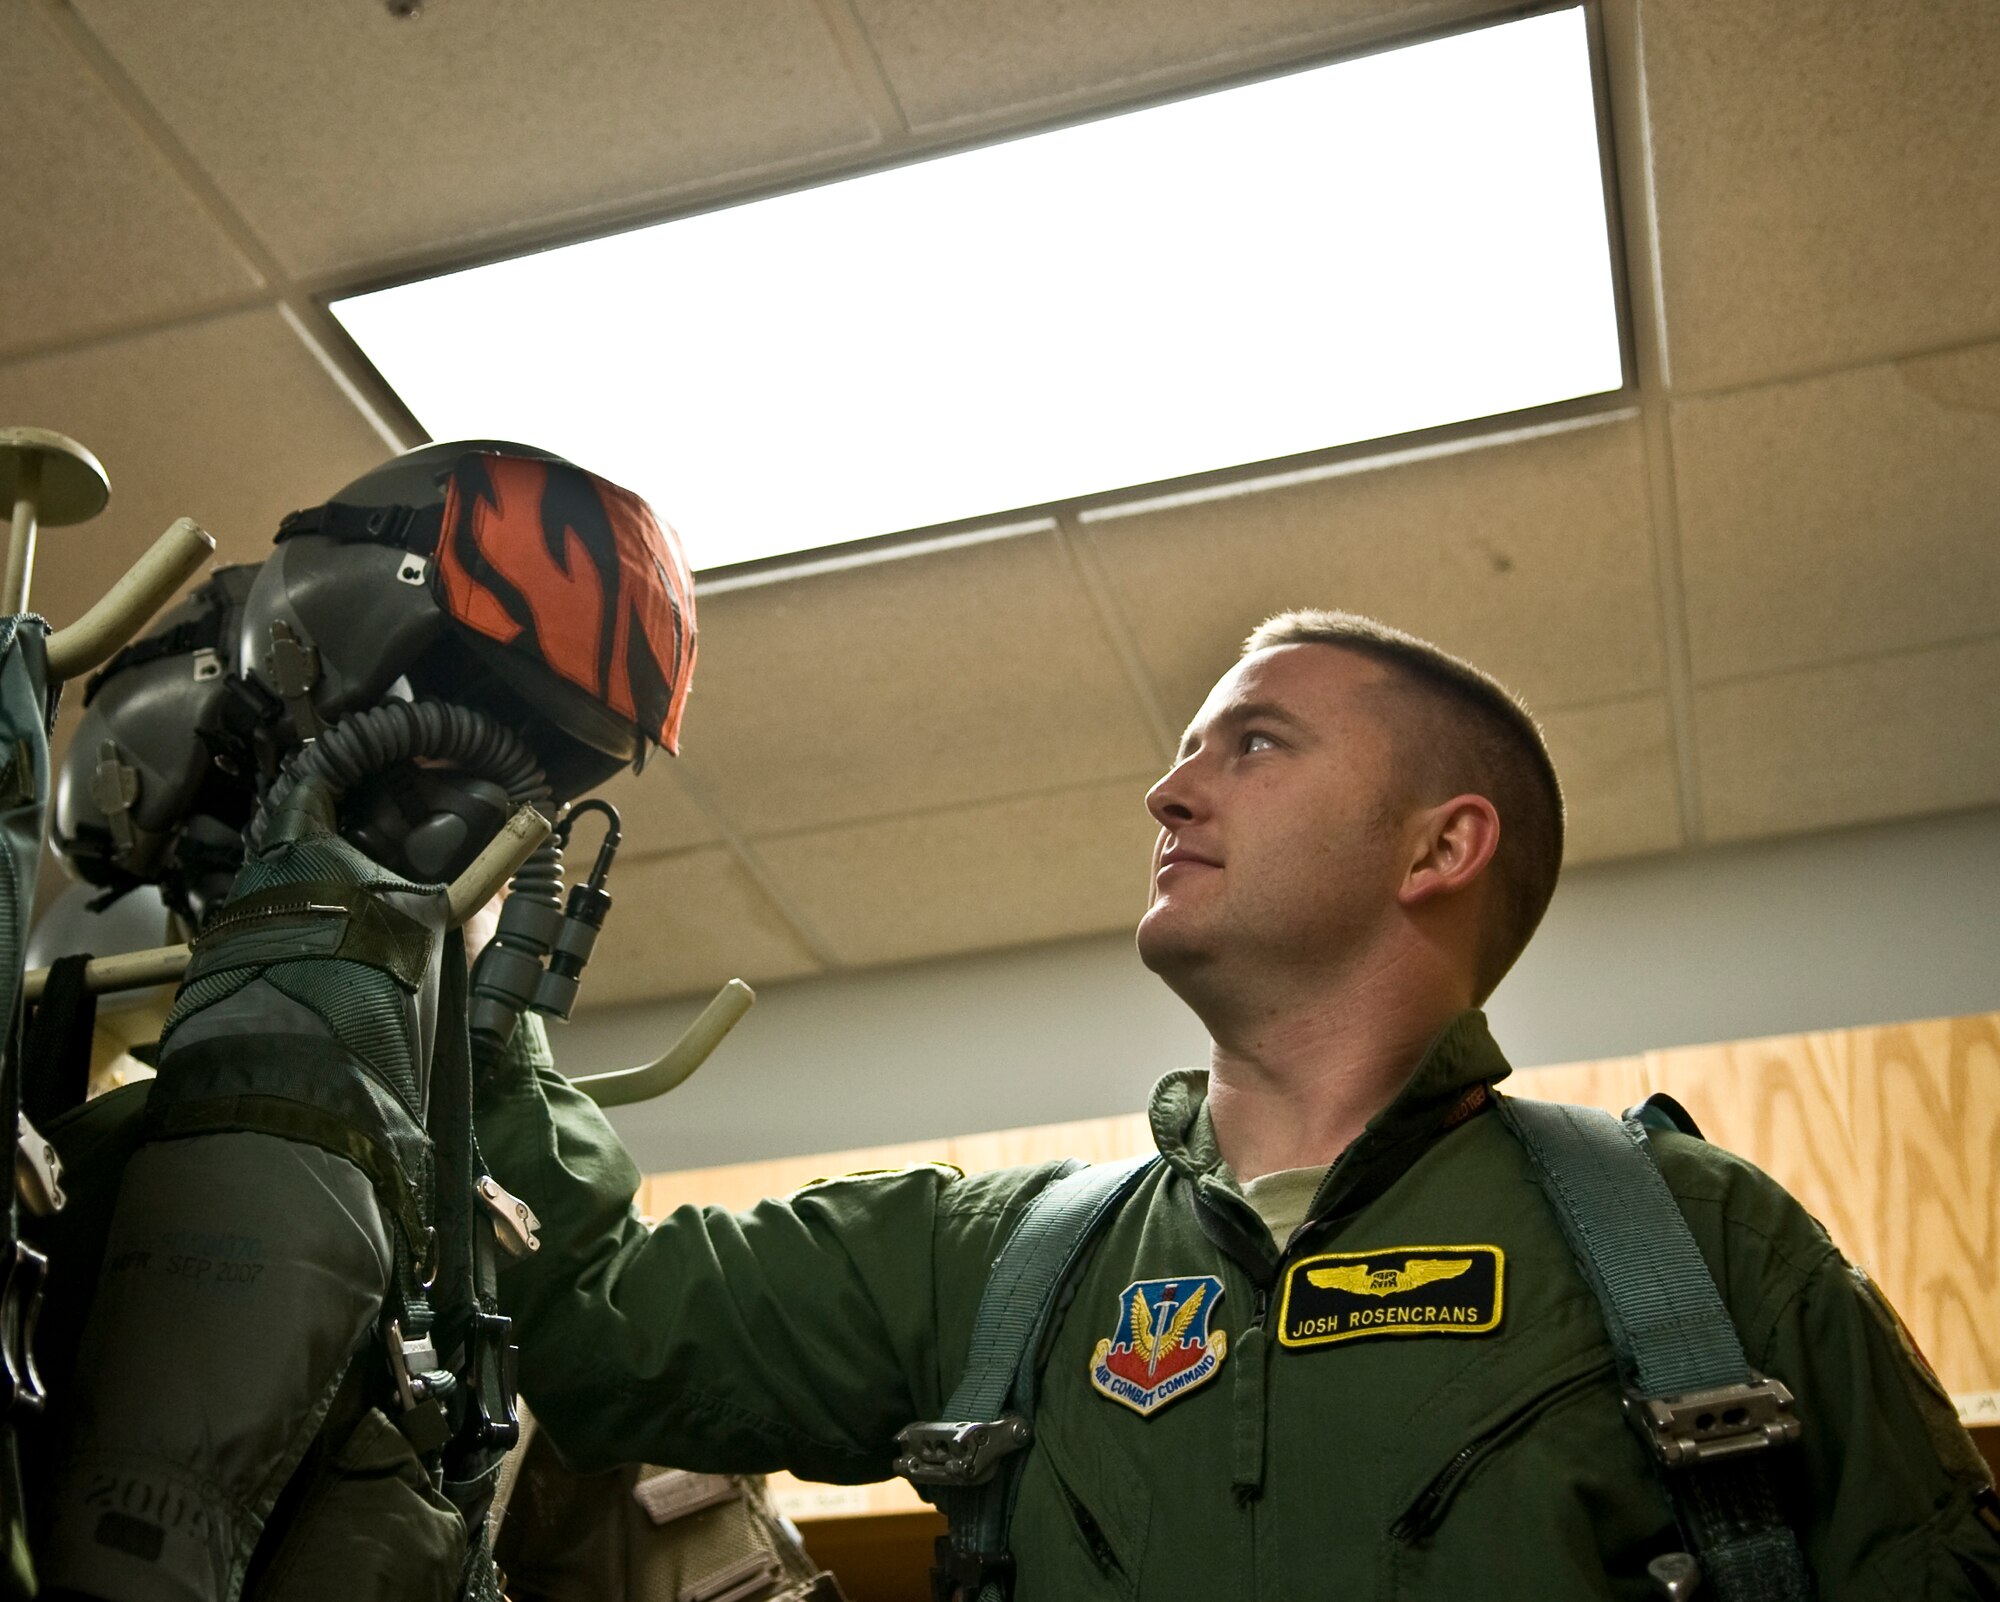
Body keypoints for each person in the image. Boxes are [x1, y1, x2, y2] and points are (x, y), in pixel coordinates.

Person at [466, 613, 2000, 1595]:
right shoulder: (995, 1263)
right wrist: (476, 981)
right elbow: (592, 1325)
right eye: (1187, 746)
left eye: (1252, 742)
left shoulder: (1701, 1253)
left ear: (1438, 848)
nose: (1168, 790)